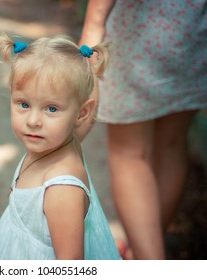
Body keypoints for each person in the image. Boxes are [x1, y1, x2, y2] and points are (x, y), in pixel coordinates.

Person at [79, 0, 207, 259]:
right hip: (194, 33)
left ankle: (148, 262)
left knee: (129, 153)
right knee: (172, 144)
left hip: (139, 32)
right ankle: (144, 249)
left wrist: (94, 23)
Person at [0, 33, 121, 260]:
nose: (33, 121)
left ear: (81, 113)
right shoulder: (61, 140)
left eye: (52, 109)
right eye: (24, 104)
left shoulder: (62, 189)